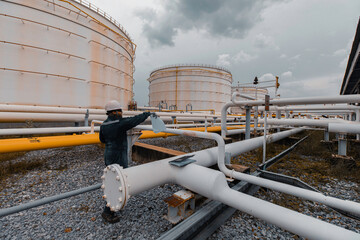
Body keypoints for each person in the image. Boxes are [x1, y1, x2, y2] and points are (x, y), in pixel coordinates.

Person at [99, 100, 151, 223]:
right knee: (119, 181)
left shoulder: (103, 125)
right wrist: (146, 114)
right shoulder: (119, 123)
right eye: (120, 111)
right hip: (118, 156)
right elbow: (134, 120)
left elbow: (102, 139)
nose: (121, 113)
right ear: (115, 112)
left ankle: (116, 202)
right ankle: (108, 211)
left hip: (108, 154)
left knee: (112, 179)